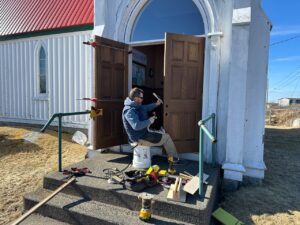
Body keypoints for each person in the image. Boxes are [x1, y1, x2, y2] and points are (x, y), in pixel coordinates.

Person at [122, 87, 179, 160]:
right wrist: (149, 121)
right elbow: (136, 126)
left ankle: (169, 156)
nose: (143, 99)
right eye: (141, 98)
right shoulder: (129, 111)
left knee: (162, 132)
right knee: (167, 138)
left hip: (143, 134)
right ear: (136, 98)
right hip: (140, 138)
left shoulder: (136, 106)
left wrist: (156, 104)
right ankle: (173, 160)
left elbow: (146, 107)